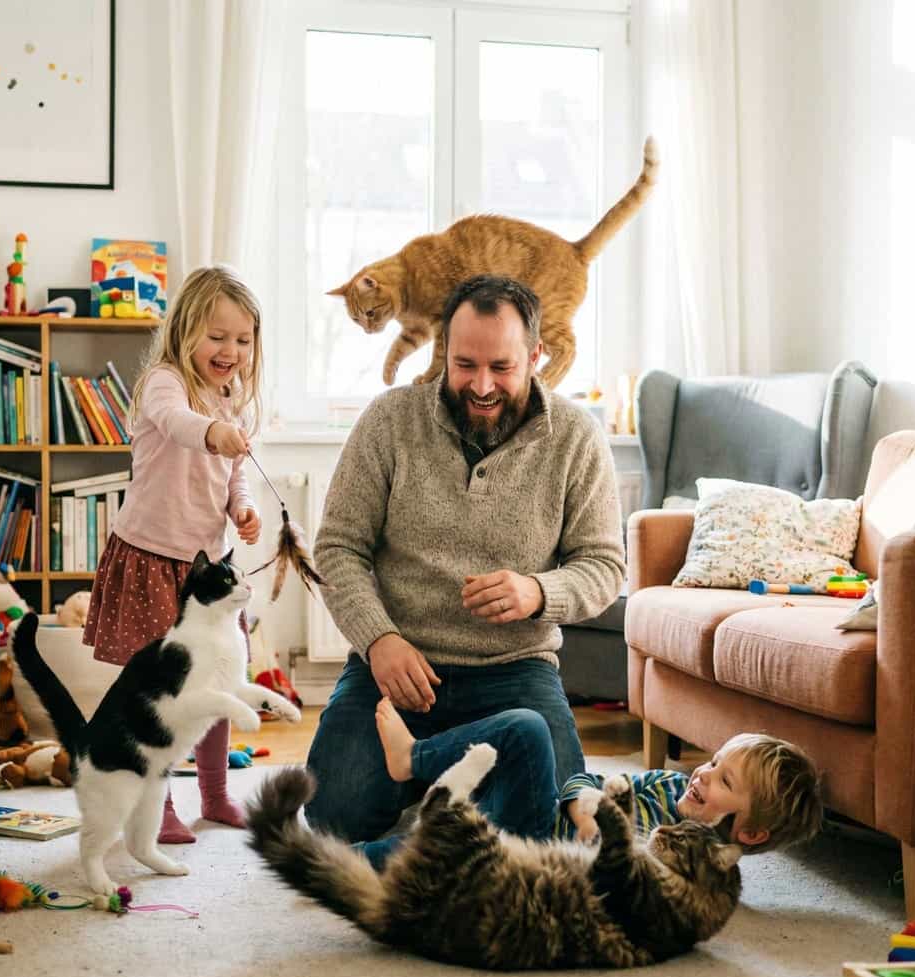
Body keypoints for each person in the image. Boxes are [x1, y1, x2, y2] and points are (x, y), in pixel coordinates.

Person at [306, 274, 626, 843]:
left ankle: (430, 797)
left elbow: (603, 567)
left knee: (551, 824)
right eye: (465, 364)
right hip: (397, 669)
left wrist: (537, 592)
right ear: (443, 355)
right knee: (335, 815)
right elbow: (337, 547)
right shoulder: (388, 422)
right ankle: (445, 796)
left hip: (515, 673)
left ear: (536, 356)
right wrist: (380, 641)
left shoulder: (577, 437)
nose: (481, 385)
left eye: (501, 367)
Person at [82, 264, 264, 844]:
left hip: (204, 571)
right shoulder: (165, 382)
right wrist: (213, 432)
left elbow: (234, 473)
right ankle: (154, 805)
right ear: (185, 331)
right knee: (159, 694)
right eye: (217, 336)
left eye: (242, 339)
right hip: (150, 559)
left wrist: (241, 507)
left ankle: (213, 794)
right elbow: (179, 425)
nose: (230, 350)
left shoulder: (232, 399)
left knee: (218, 680)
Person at [361, 697, 823, 868]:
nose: (702, 773)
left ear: (750, 832)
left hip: (538, 856)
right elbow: (586, 776)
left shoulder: (702, 869)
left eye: (724, 779)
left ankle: (353, 860)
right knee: (526, 727)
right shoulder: (665, 786)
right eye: (713, 761)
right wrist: (581, 800)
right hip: (538, 816)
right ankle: (413, 760)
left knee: (439, 853)